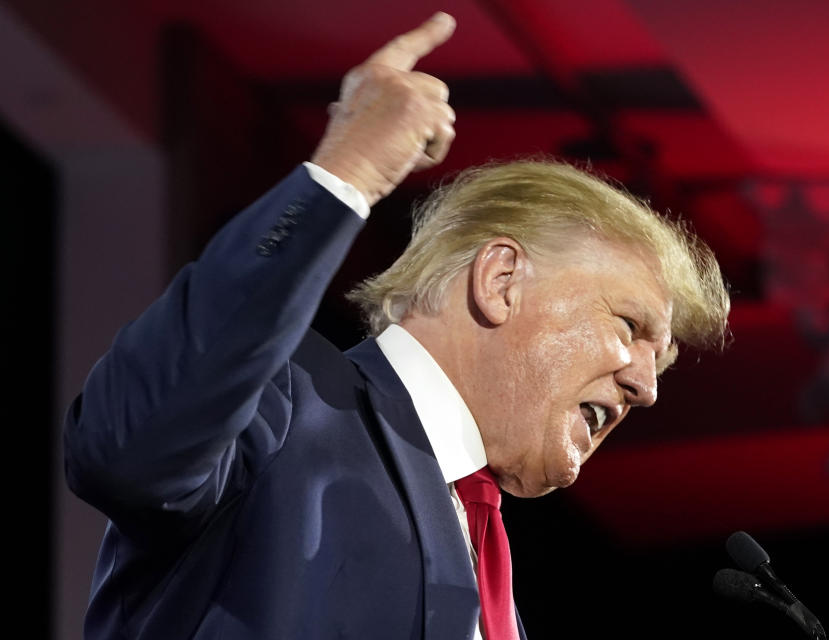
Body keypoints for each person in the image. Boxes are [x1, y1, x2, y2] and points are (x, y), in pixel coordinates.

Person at [63, 12, 729, 640]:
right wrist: (344, 171)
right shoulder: (287, 410)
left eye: (660, 358)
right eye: (630, 325)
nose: (647, 387)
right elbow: (124, 447)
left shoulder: (483, 553)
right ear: (501, 281)